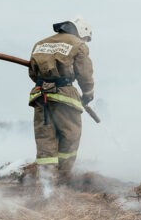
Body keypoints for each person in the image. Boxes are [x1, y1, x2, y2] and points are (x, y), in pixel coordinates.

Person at [27, 16, 95, 181]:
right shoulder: (78, 45)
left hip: (40, 96)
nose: (84, 41)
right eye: (85, 37)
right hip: (64, 98)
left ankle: (46, 184)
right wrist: (88, 94)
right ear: (81, 31)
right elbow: (84, 74)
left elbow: (33, 73)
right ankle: (63, 180)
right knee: (70, 138)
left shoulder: (40, 44)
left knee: (45, 142)